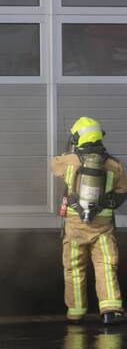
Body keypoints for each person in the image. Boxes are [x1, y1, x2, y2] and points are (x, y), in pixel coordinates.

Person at [52, 116, 127, 325]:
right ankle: (111, 310)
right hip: (102, 228)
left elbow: (53, 166)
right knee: (105, 265)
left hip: (75, 226)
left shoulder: (67, 161)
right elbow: (122, 192)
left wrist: (69, 150)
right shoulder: (114, 165)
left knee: (74, 268)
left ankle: (75, 312)